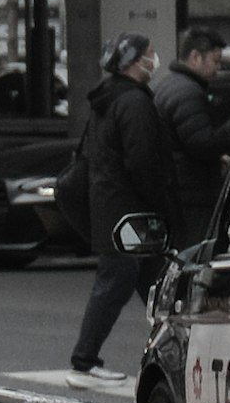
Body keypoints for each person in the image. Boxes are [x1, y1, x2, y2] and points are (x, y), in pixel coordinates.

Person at [69, 33, 175, 376]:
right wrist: (160, 201)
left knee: (155, 281)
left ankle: (176, 347)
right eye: (150, 53)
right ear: (133, 61)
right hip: (129, 213)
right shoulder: (134, 103)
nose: (154, 60)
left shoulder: (107, 100)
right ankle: (84, 359)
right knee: (120, 279)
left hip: (111, 206)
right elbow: (142, 161)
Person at [151, 24, 230, 248]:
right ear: (195, 57)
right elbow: (202, 144)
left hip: (180, 189)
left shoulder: (171, 85)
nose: (217, 69)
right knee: (196, 251)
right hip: (193, 192)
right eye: (215, 60)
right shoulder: (188, 92)